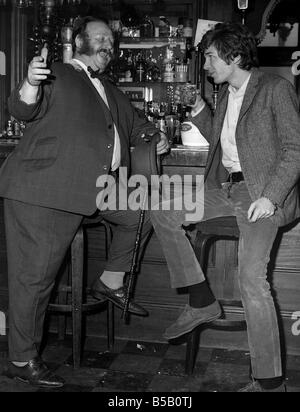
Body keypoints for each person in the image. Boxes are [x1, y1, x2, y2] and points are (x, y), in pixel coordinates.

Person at [0, 16, 169, 388]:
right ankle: (20, 359)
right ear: (79, 42)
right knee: (35, 279)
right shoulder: (56, 73)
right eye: (101, 37)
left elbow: (139, 124)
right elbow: (22, 108)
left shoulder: (112, 90)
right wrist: (30, 81)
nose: (109, 44)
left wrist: (155, 137)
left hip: (93, 188)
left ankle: (109, 281)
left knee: (143, 212)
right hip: (44, 189)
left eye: (112, 40)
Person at [150, 22, 300, 392]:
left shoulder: (274, 88)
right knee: (163, 211)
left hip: (260, 193)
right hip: (228, 189)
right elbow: (225, 136)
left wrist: (271, 197)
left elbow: (295, 149)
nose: (205, 66)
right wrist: (200, 107)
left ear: (233, 57)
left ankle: (269, 383)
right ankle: (201, 301)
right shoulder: (227, 94)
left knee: (252, 280)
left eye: (211, 58)